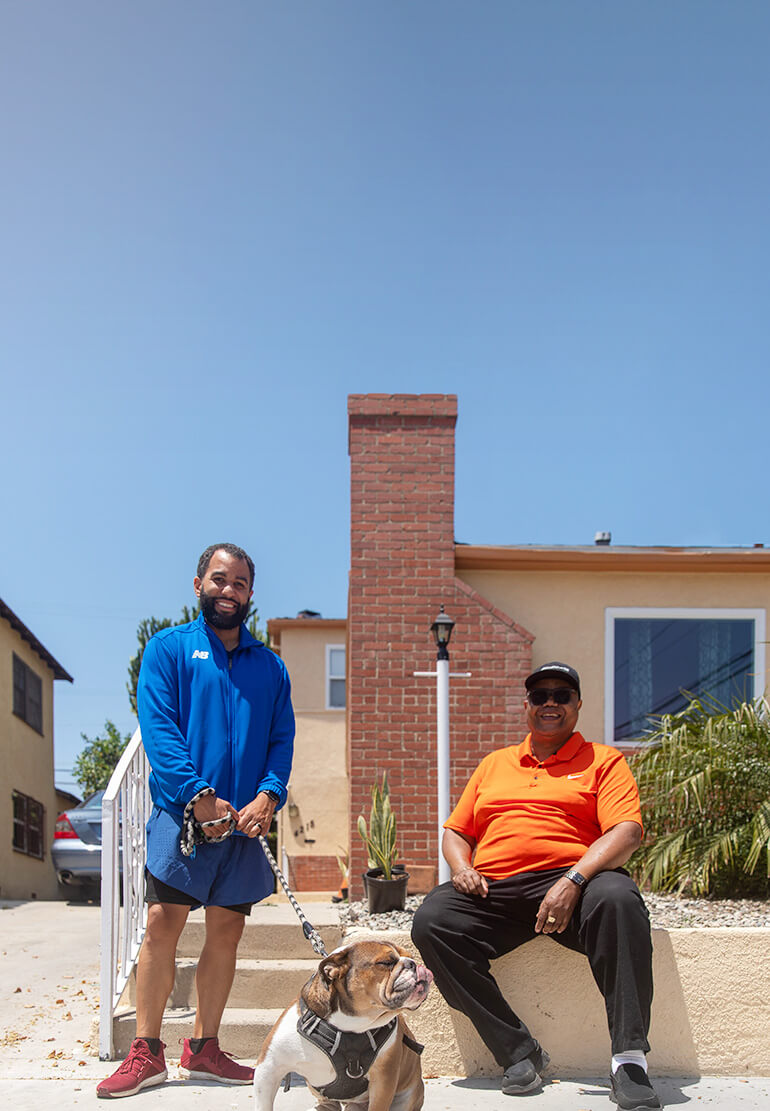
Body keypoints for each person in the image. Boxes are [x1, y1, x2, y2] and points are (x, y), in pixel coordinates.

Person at [411, 662, 659, 1111]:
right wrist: (461, 866)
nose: (550, 703)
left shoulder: (604, 760)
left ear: (577, 705)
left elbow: (626, 832)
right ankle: (518, 1052)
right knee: (433, 920)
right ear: (526, 705)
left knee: (619, 898)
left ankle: (629, 1061)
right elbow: (456, 832)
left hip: (575, 886)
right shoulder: (495, 764)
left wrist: (573, 880)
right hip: (497, 890)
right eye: (540, 695)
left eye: (561, 696)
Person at [97, 543, 295, 1099]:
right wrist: (197, 796)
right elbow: (159, 731)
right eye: (218, 579)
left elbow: (281, 742)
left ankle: (205, 1049)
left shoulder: (271, 666)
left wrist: (268, 797)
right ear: (198, 584)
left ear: (250, 594)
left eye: (238, 583)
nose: (227, 590)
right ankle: (146, 1051)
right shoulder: (168, 650)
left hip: (242, 826)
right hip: (180, 817)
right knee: (162, 921)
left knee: (227, 931)